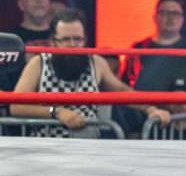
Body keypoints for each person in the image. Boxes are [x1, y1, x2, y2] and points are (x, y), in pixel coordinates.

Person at [9, 8, 170, 137]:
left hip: (88, 146)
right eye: (65, 39)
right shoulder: (39, 63)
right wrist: (57, 112)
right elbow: (16, 106)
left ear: (85, 39)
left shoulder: (96, 62)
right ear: (53, 41)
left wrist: (151, 109)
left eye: (77, 39)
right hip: (48, 146)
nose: (72, 45)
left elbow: (122, 91)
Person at [120, 0, 186, 93]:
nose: (170, 18)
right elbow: (124, 88)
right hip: (143, 103)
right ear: (155, 17)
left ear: (182, 19)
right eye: (164, 13)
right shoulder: (137, 50)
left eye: (175, 14)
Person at [2, 0, 53, 94]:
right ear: (21, 4)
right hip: (22, 99)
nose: (38, 0)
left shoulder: (62, 36)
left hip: (57, 97)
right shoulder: (11, 39)